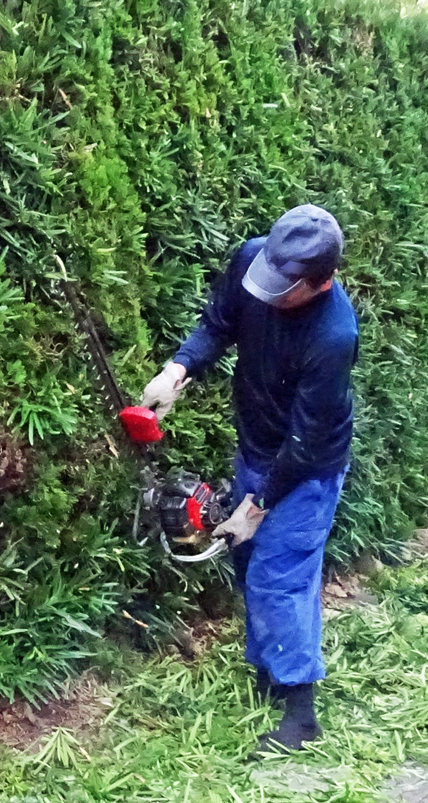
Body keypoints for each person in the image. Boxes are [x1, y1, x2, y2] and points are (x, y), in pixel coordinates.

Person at [141, 204, 359, 752]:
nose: (264, 292)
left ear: (319, 282)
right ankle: (269, 672)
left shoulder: (333, 336)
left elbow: (306, 442)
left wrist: (256, 505)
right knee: (247, 561)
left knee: (279, 575)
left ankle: (301, 713)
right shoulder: (252, 261)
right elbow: (220, 322)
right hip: (256, 446)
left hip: (307, 468)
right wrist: (179, 369)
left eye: (281, 288)